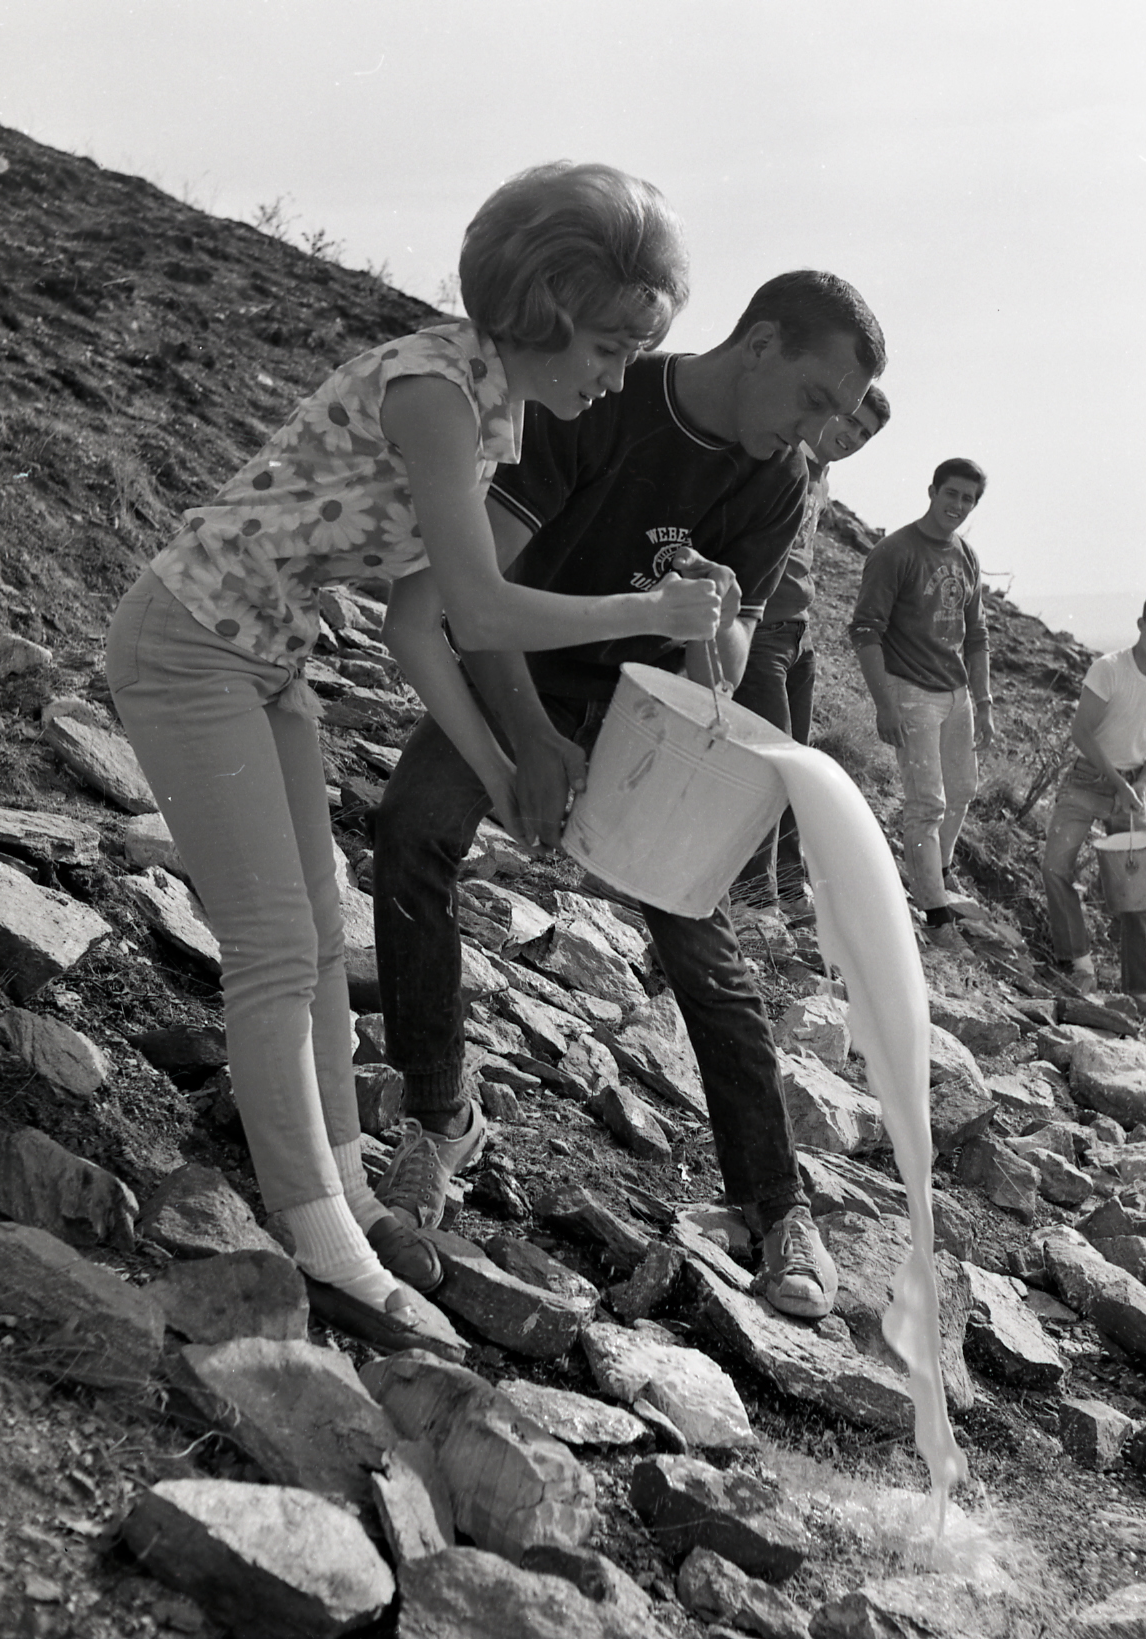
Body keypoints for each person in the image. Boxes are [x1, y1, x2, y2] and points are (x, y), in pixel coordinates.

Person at [104, 161, 719, 1353]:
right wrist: (641, 611)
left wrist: (498, 778)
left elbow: (414, 620)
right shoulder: (434, 391)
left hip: (260, 652)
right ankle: (316, 1239)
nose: (613, 378)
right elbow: (484, 611)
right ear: (540, 308)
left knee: (323, 935)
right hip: (187, 644)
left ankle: (344, 1184)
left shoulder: (494, 407)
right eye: (604, 347)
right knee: (275, 947)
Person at [372, 270, 885, 1319]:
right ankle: (437, 1121)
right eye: (815, 398)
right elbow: (477, 608)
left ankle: (770, 1202)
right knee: (412, 830)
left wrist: (718, 625)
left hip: (641, 711)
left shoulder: (777, 476)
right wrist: (529, 741)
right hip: (517, 668)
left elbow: (728, 651)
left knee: (697, 929)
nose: (821, 430)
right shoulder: (596, 400)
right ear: (759, 346)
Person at [731, 384, 891, 920]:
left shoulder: (821, 474)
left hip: (799, 632)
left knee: (800, 764)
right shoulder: (784, 456)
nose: (853, 436)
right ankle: (754, 897)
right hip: (761, 628)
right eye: (851, 421)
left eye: (866, 434)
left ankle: (793, 893)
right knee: (771, 767)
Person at [848, 457, 993, 952]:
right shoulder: (895, 552)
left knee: (963, 789)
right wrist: (884, 704)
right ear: (932, 491)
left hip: (957, 694)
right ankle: (935, 914)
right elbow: (866, 629)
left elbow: (977, 635)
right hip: (911, 691)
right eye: (950, 494)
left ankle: (939, 873)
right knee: (926, 801)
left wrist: (984, 702)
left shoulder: (966, 555)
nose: (957, 505)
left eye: (968, 499)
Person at [1039, 591, 1146, 1015]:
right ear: (1141, 623)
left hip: (1132, 786)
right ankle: (1080, 963)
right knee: (1056, 867)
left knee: (1139, 890)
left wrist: (1140, 784)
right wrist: (1116, 782)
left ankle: (1142, 994)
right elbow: (1081, 732)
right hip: (1090, 777)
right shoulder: (1108, 669)